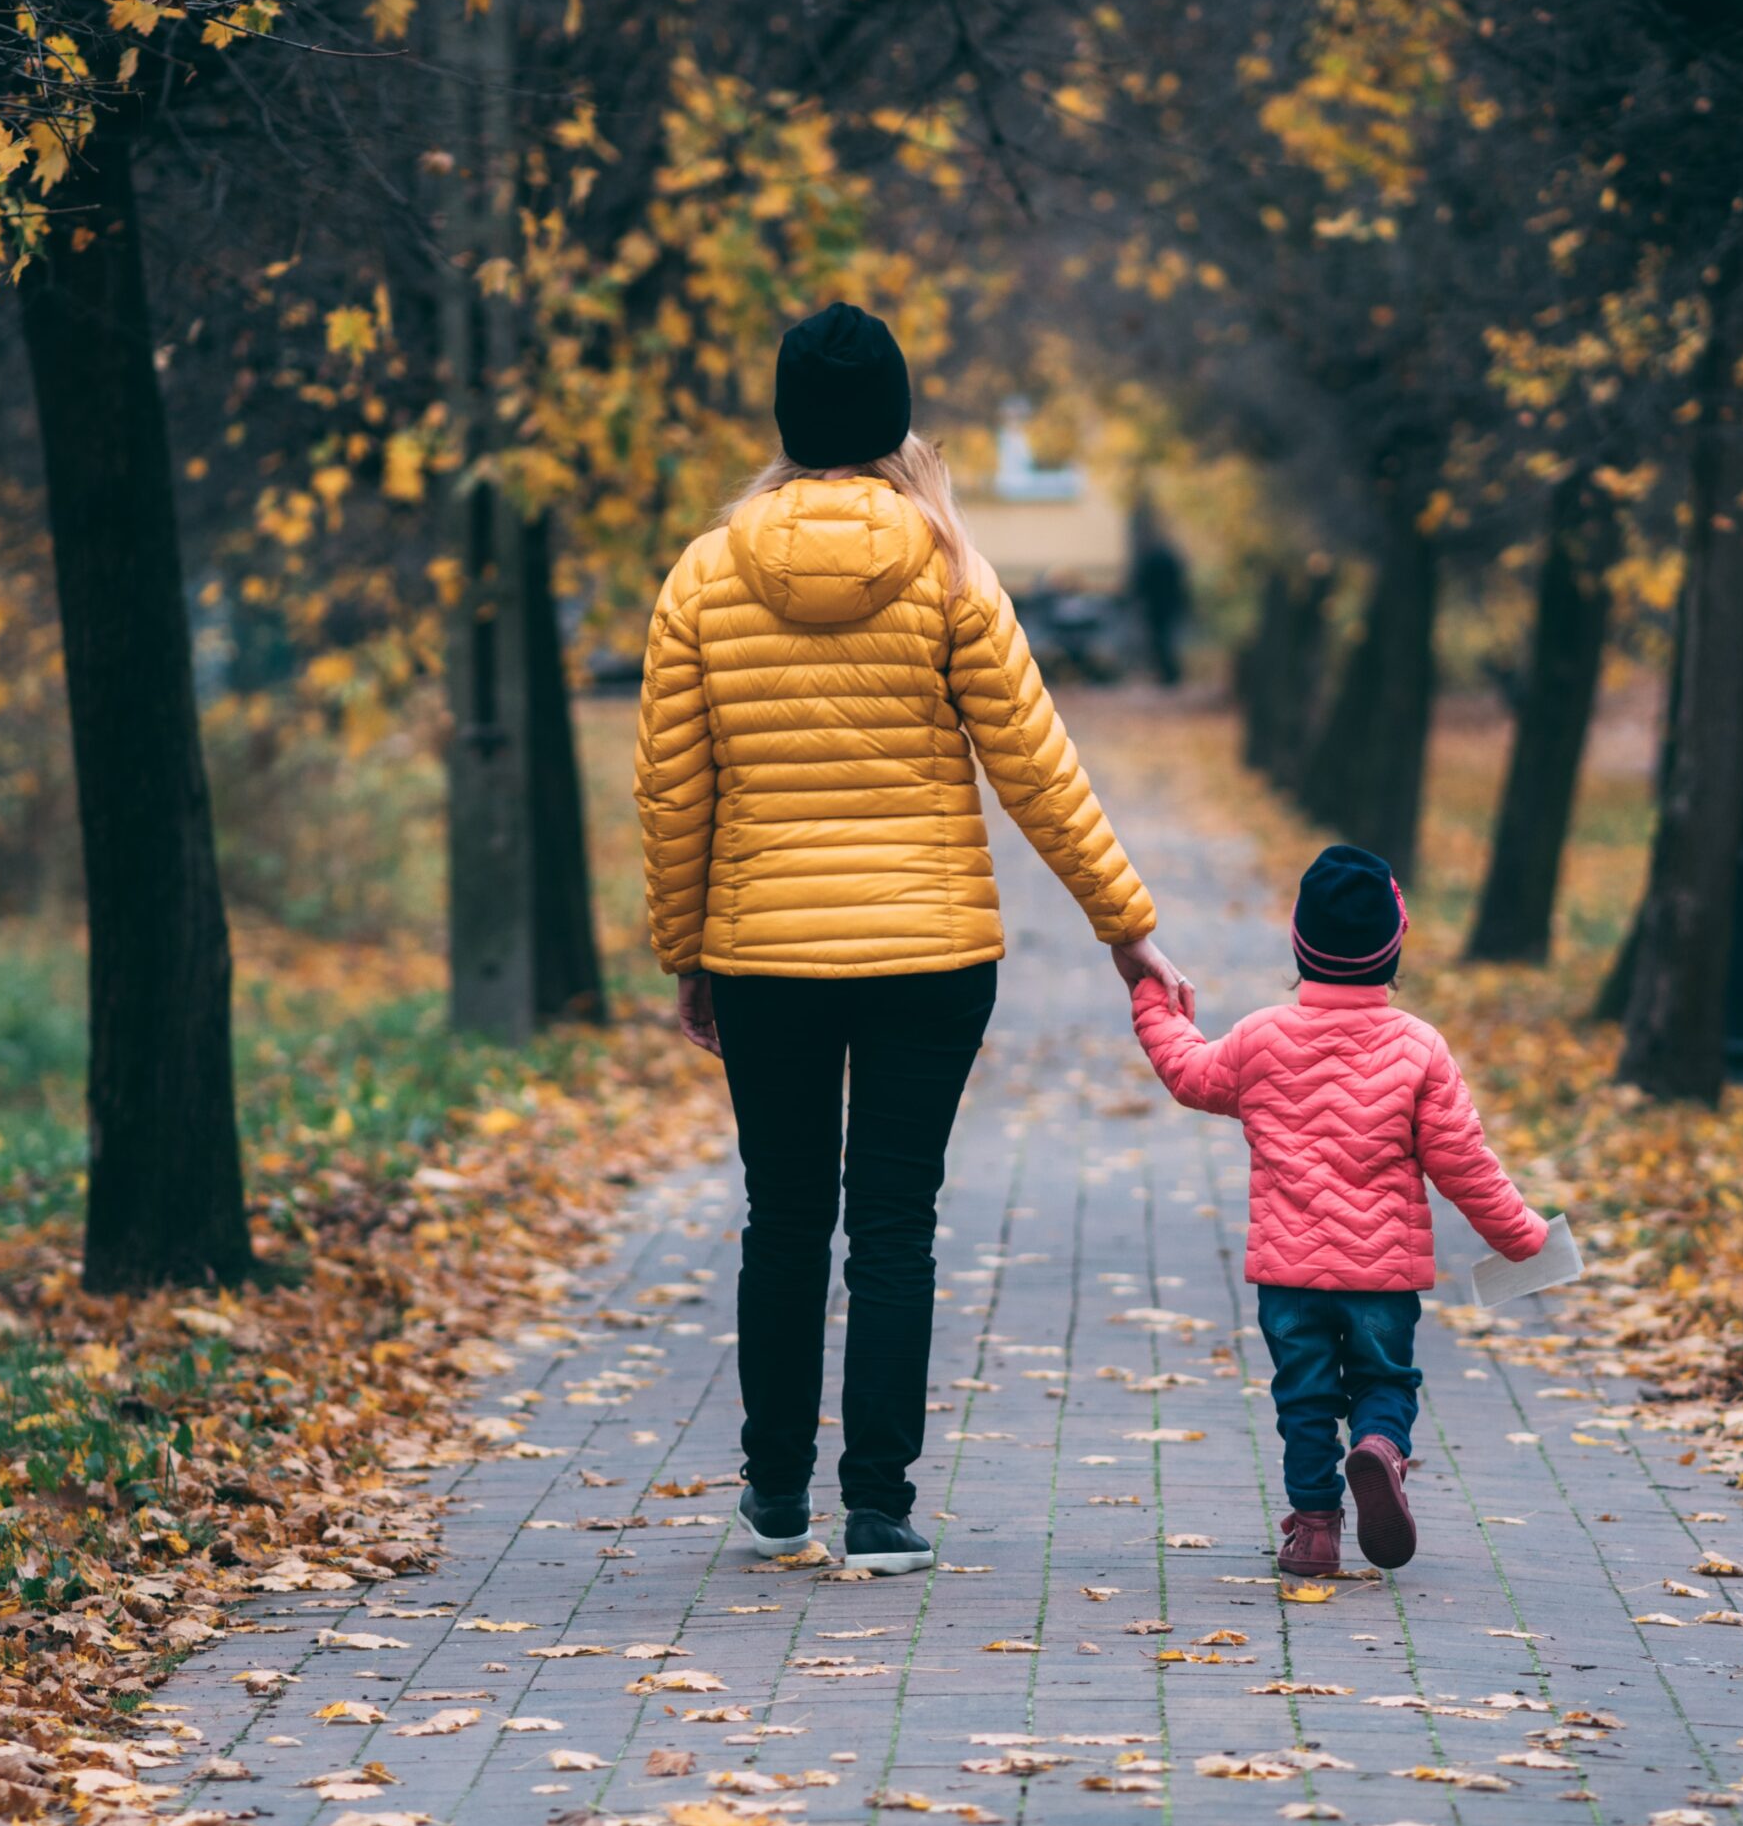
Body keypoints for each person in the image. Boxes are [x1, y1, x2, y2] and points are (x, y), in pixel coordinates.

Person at [634, 302, 1194, 1576]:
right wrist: (1127, 930)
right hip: (931, 959)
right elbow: (1037, 769)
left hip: (765, 954)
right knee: (893, 1224)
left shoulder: (704, 576)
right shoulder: (950, 569)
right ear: (894, 421)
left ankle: (774, 1496)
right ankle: (877, 1510)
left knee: (782, 1219)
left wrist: (688, 951)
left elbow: (675, 789)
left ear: (786, 422)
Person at [1127, 844, 1550, 1575]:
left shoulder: (1261, 1038)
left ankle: (1316, 1530)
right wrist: (1524, 1237)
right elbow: (1464, 1163)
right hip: (1382, 1279)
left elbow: (1190, 1074)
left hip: (1289, 1279)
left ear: (1300, 945)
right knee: (1385, 1383)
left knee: (1305, 1401)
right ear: (1394, 948)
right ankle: (1381, 1449)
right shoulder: (1420, 1050)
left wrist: (1149, 996)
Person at [1127, 496, 1191, 687]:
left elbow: (1140, 582)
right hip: (1170, 604)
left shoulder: (1150, 557)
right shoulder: (1168, 556)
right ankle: (1171, 674)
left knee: (1159, 641)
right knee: (1168, 640)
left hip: (1156, 606)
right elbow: (1180, 580)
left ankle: (1167, 675)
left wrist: (1136, 598)